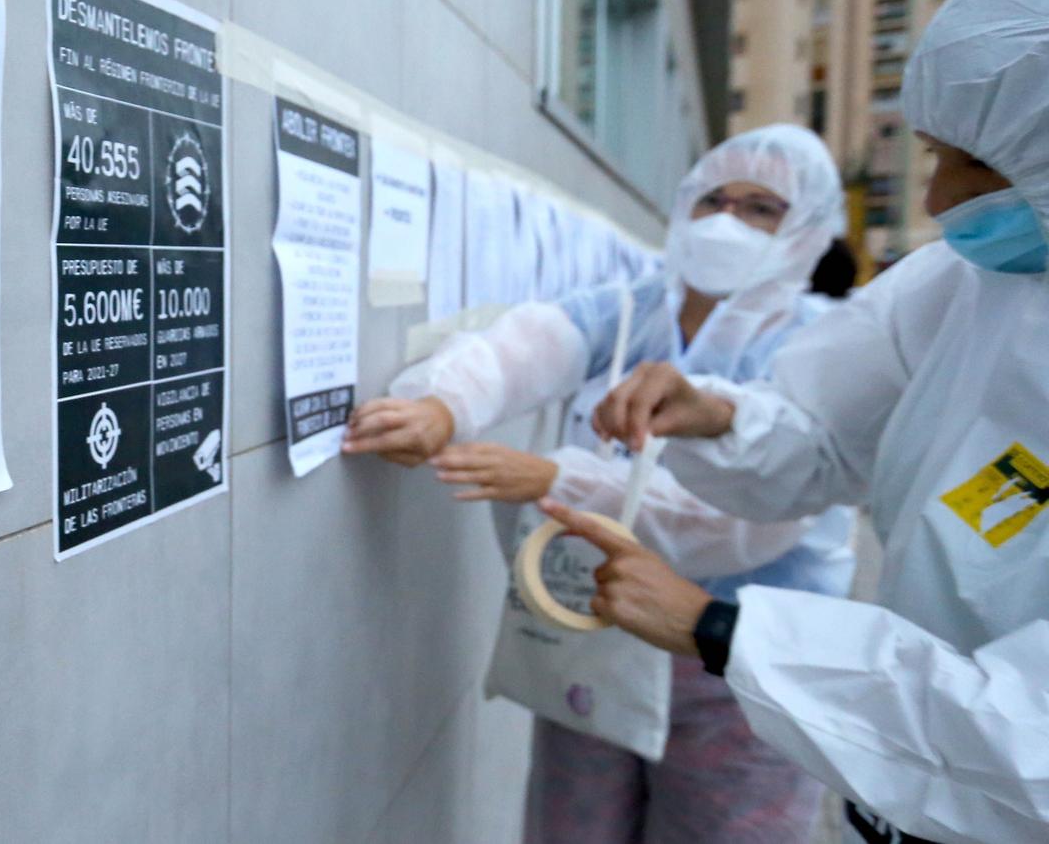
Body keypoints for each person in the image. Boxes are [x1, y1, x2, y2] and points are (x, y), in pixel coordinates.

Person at [567, 0, 1049, 844]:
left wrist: (722, 630)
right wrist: (713, 414)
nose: (937, 199)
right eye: (937, 152)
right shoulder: (969, 283)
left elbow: (1025, 744)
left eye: (981, 165)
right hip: (876, 784)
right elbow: (828, 435)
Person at [342, 123, 855, 844]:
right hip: (598, 627)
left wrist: (558, 479)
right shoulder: (634, 307)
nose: (727, 220)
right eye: (714, 199)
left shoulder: (827, 345)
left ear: (809, 229)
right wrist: (440, 405)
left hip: (740, 672)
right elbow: (524, 346)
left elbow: (757, 519)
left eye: (760, 207)